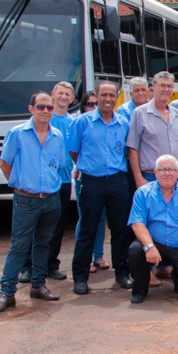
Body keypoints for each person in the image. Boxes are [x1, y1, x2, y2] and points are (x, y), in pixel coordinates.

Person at [0, 92, 65, 314]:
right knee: (19, 247)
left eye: (49, 108)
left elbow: (59, 164)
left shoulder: (57, 136)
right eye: (41, 107)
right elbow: (5, 163)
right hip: (26, 200)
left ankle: (38, 285)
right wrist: (18, 184)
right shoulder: (17, 134)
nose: (45, 111)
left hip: (51, 200)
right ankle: (7, 293)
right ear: (31, 108)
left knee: (43, 243)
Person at [68, 81, 133, 295]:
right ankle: (80, 278)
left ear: (117, 97)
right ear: (97, 95)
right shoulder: (82, 122)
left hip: (117, 181)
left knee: (120, 230)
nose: (107, 99)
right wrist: (89, 167)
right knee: (88, 229)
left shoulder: (123, 123)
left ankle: (122, 274)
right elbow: (74, 151)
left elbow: (126, 151)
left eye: (111, 95)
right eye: (103, 94)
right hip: (92, 181)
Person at [127, 154, 178, 303]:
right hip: (154, 244)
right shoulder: (143, 193)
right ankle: (139, 290)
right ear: (155, 173)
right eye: (163, 169)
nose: (167, 173)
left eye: (171, 169)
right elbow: (137, 223)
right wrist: (149, 246)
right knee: (136, 250)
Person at [19, 81, 75, 284]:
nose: (63, 97)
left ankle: (51, 265)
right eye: (60, 93)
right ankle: (28, 267)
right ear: (53, 94)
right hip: (41, 185)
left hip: (63, 181)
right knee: (35, 228)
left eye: (67, 94)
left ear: (72, 98)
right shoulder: (43, 121)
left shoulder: (72, 122)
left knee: (56, 228)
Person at [127, 71, 178, 190]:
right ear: (153, 87)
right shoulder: (140, 113)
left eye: (169, 86)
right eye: (162, 85)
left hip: (177, 178)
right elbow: (133, 148)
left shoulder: (177, 114)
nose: (166, 89)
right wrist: (138, 178)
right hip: (151, 178)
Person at [74, 93, 109, 272]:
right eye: (90, 104)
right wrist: (83, 165)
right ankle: (84, 261)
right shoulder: (82, 122)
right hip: (88, 179)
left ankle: (98, 256)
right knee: (87, 220)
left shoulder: (117, 122)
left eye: (96, 103)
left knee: (102, 220)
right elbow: (73, 150)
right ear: (83, 106)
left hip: (110, 180)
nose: (94, 106)